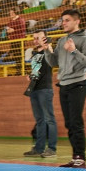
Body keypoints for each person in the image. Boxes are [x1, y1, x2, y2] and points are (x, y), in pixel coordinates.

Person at [43, 9, 86, 168]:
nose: (63, 23)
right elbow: (53, 62)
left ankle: (80, 157)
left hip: (78, 84)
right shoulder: (62, 40)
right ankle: (75, 157)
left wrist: (74, 51)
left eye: (67, 20)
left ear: (76, 21)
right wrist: (47, 49)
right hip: (64, 85)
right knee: (69, 123)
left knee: (76, 122)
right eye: (62, 20)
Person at [23, 30, 58, 158]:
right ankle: (39, 148)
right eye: (34, 38)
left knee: (49, 119)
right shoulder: (35, 54)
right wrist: (31, 75)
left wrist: (47, 46)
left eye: (38, 38)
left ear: (44, 39)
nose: (35, 40)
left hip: (45, 89)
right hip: (34, 89)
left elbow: (52, 58)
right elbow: (37, 70)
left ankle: (52, 148)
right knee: (39, 120)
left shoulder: (48, 50)